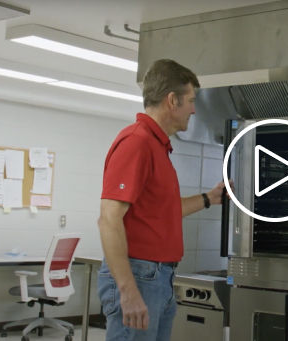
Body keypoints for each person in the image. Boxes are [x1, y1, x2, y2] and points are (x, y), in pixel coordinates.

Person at [97, 59, 228, 340]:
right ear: (172, 100)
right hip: (140, 276)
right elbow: (108, 219)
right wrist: (128, 291)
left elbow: (163, 211)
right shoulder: (137, 142)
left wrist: (209, 198)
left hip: (158, 279)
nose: (194, 109)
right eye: (191, 101)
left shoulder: (158, 147)